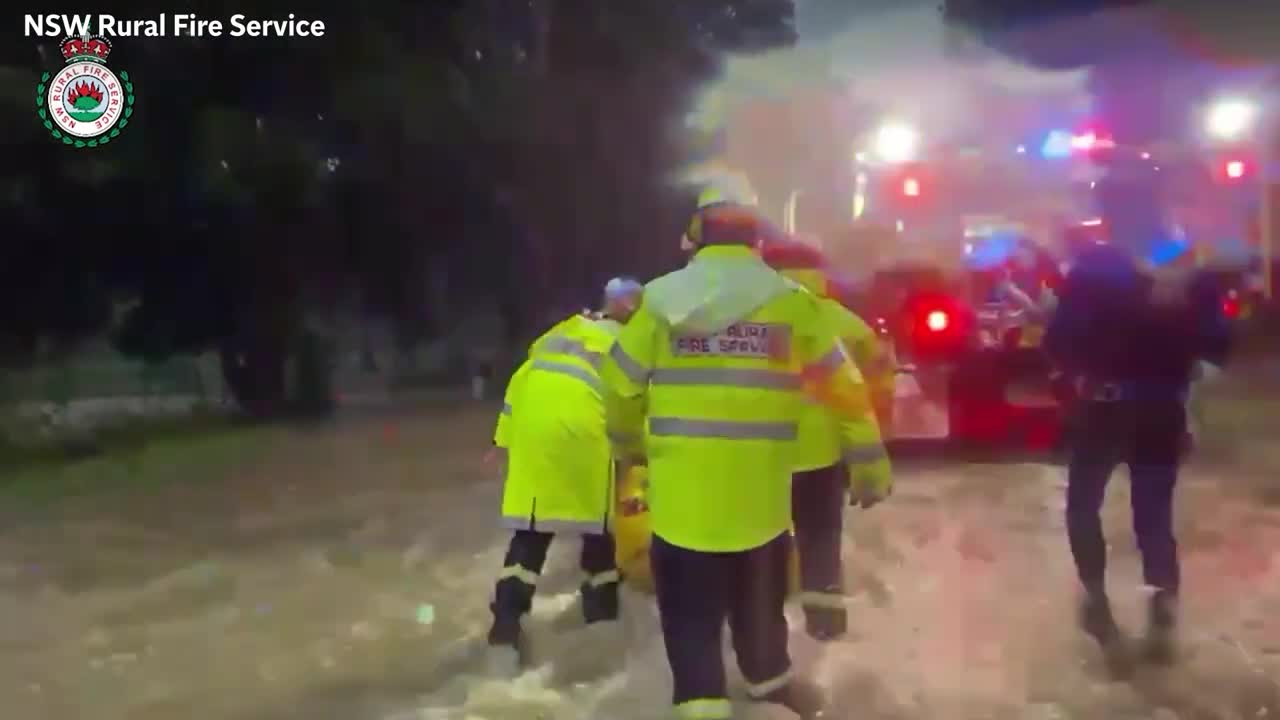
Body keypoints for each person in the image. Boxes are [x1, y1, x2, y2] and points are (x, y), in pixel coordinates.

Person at [600, 184, 874, 719]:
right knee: (760, 608)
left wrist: (629, 447)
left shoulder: (657, 301)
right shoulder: (794, 305)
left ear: (696, 237)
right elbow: (847, 388)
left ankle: (702, 703)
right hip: (763, 503)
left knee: (690, 618)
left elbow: (619, 387)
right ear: (758, 239)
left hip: (682, 505)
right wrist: (868, 461)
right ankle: (771, 686)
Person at [1045, 239, 1231, 672]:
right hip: (1163, 409)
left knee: (1083, 504)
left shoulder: (1094, 269)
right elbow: (1216, 347)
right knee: (1153, 516)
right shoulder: (1190, 271)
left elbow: (1059, 339)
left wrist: (1071, 373)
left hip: (1103, 407)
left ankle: (1094, 597)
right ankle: (1162, 606)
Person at [760, 238, 894, 641]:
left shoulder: (746, 320)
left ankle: (764, 629)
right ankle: (826, 626)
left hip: (759, 454)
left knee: (762, 540)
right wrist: (869, 454)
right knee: (821, 538)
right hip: (821, 455)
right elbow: (874, 387)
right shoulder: (842, 322)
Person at [485, 302, 629, 672]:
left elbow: (518, 384)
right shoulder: (627, 341)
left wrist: (501, 442)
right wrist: (639, 456)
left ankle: (504, 629)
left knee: (531, 533)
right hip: (582, 427)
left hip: (531, 429)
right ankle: (602, 623)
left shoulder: (557, 335)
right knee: (597, 529)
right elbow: (630, 407)